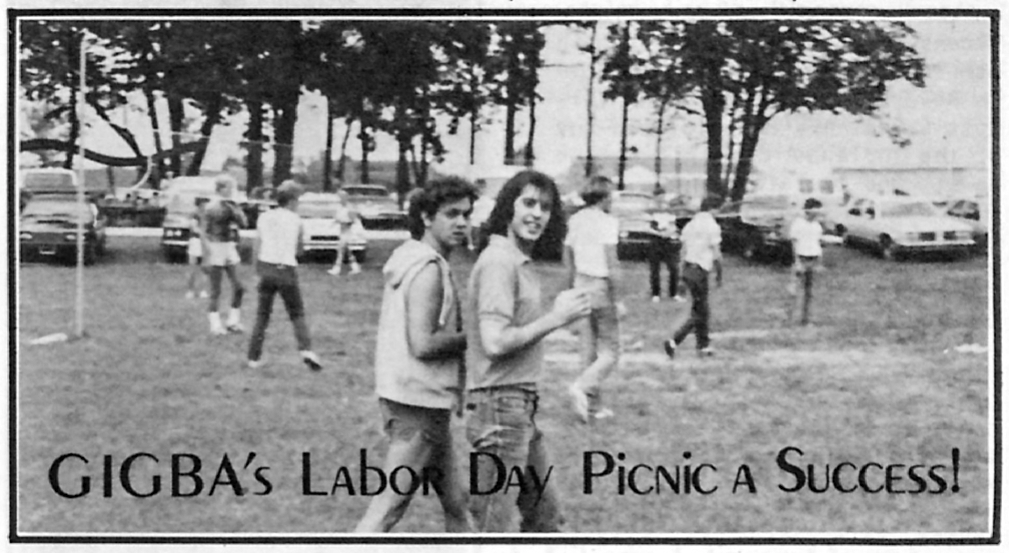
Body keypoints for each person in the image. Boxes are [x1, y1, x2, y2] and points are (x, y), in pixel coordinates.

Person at [465, 170, 592, 532]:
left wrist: (561, 315)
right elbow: (495, 342)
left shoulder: (517, 260)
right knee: (492, 525)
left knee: (547, 519)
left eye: (546, 207)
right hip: (499, 408)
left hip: (519, 407)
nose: (537, 214)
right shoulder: (498, 262)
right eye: (529, 203)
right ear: (509, 207)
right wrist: (556, 317)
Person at [354, 177, 478, 533]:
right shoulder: (427, 270)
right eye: (451, 214)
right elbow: (422, 344)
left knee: (457, 504)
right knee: (385, 513)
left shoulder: (412, 258)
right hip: (418, 406)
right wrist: (476, 338)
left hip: (421, 402)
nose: (461, 223)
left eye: (466, 215)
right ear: (426, 217)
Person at [563, 176, 623, 423]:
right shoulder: (608, 222)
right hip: (600, 286)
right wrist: (618, 299)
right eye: (611, 195)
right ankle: (581, 387)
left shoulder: (575, 220)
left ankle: (592, 407)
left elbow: (567, 255)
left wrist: (569, 288)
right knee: (611, 351)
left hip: (580, 284)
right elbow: (612, 263)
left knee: (587, 350)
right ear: (604, 196)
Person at [245, 180, 323, 371]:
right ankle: (306, 350)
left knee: (262, 315)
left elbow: (257, 246)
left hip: (266, 268)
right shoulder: (296, 220)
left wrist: (256, 270)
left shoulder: (264, 217)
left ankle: (253, 357)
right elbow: (300, 250)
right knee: (297, 313)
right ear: (292, 200)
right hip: (286, 269)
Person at [663, 195, 723, 360]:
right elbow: (716, 253)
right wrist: (719, 273)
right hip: (701, 270)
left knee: (701, 309)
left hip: (688, 268)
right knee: (700, 312)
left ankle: (703, 345)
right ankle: (674, 340)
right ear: (713, 208)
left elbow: (683, 251)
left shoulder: (690, 224)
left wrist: (681, 274)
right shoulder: (712, 226)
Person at [202, 174, 248, 335]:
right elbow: (204, 231)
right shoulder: (212, 206)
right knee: (216, 290)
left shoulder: (231, 205)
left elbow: (244, 223)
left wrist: (235, 207)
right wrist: (206, 255)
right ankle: (215, 325)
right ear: (222, 189)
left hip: (229, 246)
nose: (233, 191)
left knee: (239, 287)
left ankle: (233, 321)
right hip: (216, 246)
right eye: (230, 187)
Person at [787, 198, 825, 326]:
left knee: (810, 292)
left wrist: (819, 263)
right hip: (802, 258)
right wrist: (797, 262)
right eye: (816, 209)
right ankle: (791, 319)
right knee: (795, 291)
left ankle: (807, 319)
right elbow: (794, 243)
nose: (818, 212)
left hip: (813, 259)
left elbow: (818, 244)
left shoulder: (817, 226)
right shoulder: (798, 223)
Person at [647, 205, 686, 304]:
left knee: (673, 268)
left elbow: (675, 227)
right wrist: (658, 232)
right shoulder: (652, 213)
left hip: (668, 242)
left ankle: (673, 293)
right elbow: (647, 227)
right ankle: (655, 294)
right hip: (656, 241)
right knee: (655, 269)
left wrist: (668, 232)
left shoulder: (670, 215)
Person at [328, 189, 362, 276]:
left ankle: (337, 268)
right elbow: (337, 218)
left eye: (341, 197)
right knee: (348, 251)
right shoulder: (339, 208)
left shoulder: (349, 208)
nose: (340, 199)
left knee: (341, 250)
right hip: (342, 231)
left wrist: (345, 222)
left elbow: (353, 220)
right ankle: (355, 267)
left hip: (348, 231)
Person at [185, 197, 210, 300]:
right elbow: (193, 227)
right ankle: (190, 290)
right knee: (193, 267)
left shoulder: (208, 215)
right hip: (196, 241)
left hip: (205, 241)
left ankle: (203, 290)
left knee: (205, 268)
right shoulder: (195, 214)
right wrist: (202, 233)